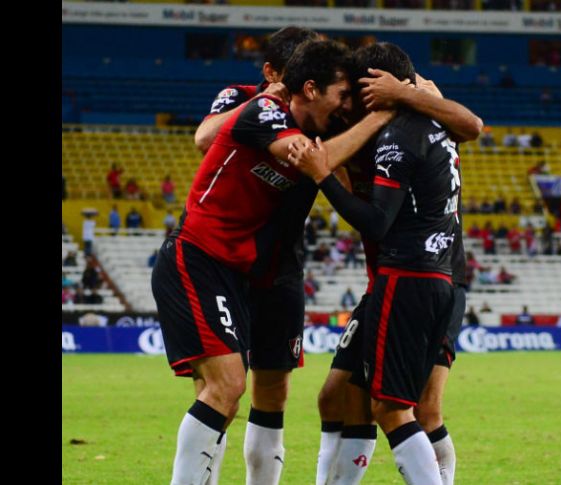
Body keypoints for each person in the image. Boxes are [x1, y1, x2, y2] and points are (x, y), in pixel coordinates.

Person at [152, 38, 391, 485]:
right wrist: (382, 114)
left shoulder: (318, 131)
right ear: (312, 88)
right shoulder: (262, 111)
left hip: (263, 270)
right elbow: (311, 163)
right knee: (224, 388)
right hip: (203, 256)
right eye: (341, 95)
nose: (346, 107)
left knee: (265, 392)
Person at [289, 42, 477, 485]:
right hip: (394, 280)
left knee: (412, 409)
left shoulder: (405, 127)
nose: (346, 101)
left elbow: (473, 125)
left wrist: (407, 95)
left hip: (426, 273)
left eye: (354, 91)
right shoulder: (395, 123)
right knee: (336, 396)